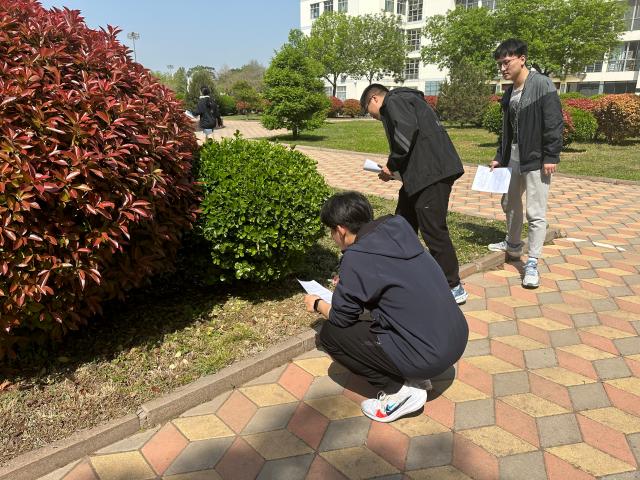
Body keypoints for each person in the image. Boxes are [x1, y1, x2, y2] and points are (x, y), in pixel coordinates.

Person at [304, 191, 469, 423]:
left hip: (429, 355)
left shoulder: (357, 257)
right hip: (455, 338)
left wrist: (317, 303)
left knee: (332, 334)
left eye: (331, 231)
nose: (332, 237)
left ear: (340, 230)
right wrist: (353, 282)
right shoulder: (397, 230)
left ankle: (399, 391)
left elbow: (342, 317)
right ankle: (412, 372)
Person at [359, 84, 468, 304]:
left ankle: (453, 285)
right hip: (422, 176)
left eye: (368, 111)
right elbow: (415, 142)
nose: (372, 117)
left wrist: (391, 164)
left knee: (433, 228)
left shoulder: (394, 101)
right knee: (403, 222)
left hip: (432, 175)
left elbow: (406, 132)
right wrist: (394, 171)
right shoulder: (407, 100)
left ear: (374, 99)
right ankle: (403, 274)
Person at [488, 39, 563, 288]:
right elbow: (507, 130)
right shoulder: (510, 91)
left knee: (535, 212)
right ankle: (513, 244)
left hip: (536, 159)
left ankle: (532, 262)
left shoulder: (541, 84)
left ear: (522, 59)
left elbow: (553, 122)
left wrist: (551, 156)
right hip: (513, 157)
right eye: (500, 64)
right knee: (509, 202)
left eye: (506, 62)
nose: (502, 68)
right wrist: (500, 156)